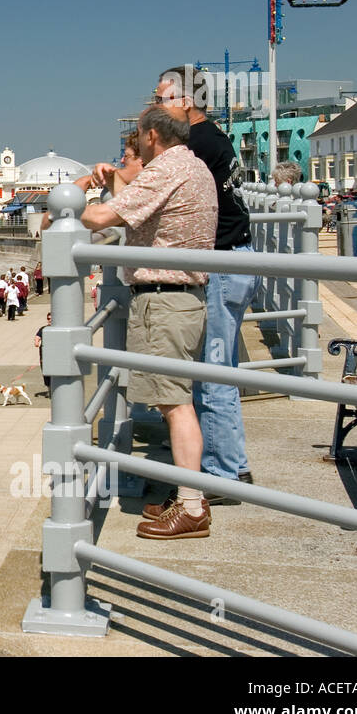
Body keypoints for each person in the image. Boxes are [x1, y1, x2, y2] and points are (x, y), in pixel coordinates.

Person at [94, 66, 258, 498]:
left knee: (210, 376)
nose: (155, 106)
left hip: (216, 263)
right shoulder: (213, 140)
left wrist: (99, 184)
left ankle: (221, 476)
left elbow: (134, 195)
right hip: (234, 257)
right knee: (214, 372)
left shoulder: (193, 147)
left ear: (186, 102)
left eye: (162, 98)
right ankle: (227, 464)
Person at [67, 100, 218, 539]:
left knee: (175, 404)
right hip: (183, 298)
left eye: (137, 134)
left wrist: (72, 196)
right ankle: (188, 495)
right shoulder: (192, 166)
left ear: (152, 135)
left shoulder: (166, 170)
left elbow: (99, 216)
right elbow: (139, 210)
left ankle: (191, 507)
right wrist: (113, 179)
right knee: (177, 399)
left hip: (165, 301)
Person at [34, 312, 52, 395]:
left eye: (51, 318)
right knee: (46, 372)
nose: (50, 320)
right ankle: (49, 389)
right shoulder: (43, 329)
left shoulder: (59, 329)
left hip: (55, 355)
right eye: (48, 318)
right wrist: (36, 341)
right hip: (44, 356)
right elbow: (37, 336)